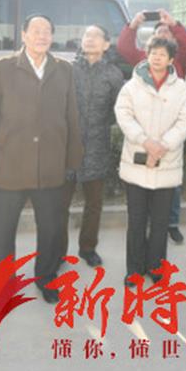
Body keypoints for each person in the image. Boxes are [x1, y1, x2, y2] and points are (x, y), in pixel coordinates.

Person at [0, 14, 83, 305]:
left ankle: (46, 278)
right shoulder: (2, 68)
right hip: (8, 166)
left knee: (50, 229)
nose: (41, 35)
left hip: (49, 167)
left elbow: (71, 116)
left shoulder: (64, 70)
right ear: (23, 35)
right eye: (35, 30)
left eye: (47, 31)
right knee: (1, 232)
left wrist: (72, 160)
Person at [115, 37, 186, 286]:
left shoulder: (181, 89)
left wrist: (163, 145)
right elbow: (123, 114)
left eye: (162, 54)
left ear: (171, 59)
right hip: (137, 163)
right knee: (136, 221)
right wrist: (145, 141)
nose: (157, 57)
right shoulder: (132, 86)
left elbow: (185, 120)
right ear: (147, 56)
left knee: (160, 223)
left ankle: (156, 268)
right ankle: (134, 270)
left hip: (167, 163)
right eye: (153, 53)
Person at [60, 25, 125, 267]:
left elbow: (119, 110)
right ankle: (57, 250)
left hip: (98, 146)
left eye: (96, 36)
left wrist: (100, 125)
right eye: (87, 35)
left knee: (94, 203)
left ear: (106, 44)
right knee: (60, 204)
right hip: (67, 146)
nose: (90, 39)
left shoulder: (113, 74)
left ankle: (88, 248)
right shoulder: (67, 70)